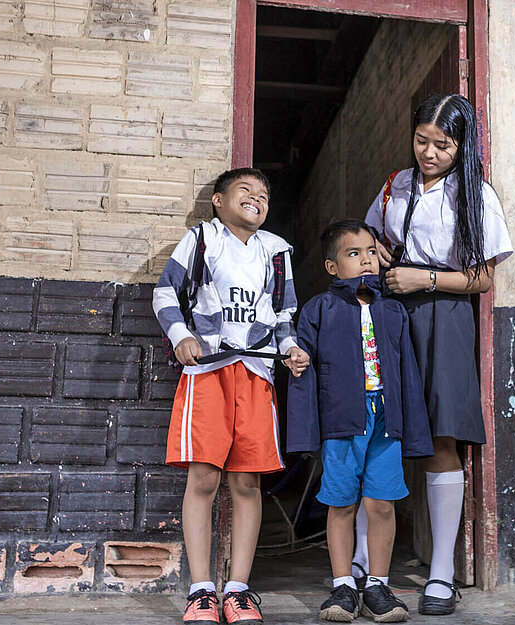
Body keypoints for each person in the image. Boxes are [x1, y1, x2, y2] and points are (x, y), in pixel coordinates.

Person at [361, 93, 513, 615]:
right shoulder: (394, 186)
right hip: (393, 311)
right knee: (379, 425)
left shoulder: (476, 195)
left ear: (461, 144)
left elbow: (485, 277)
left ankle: (442, 573)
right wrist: (381, 256)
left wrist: (422, 276)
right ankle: (363, 558)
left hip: (445, 314)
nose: (429, 153)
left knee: (441, 435)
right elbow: (373, 240)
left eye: (442, 145)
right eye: (422, 141)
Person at [154, 167, 310, 625]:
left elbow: (283, 315)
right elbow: (166, 292)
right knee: (203, 478)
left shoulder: (275, 251)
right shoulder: (204, 239)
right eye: (246, 190)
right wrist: (181, 334)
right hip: (209, 371)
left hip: (256, 372)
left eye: (264, 195)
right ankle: (201, 589)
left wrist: (291, 348)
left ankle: (238, 589)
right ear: (219, 201)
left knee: (247, 482)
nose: (257, 199)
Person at [288, 219, 433, 623]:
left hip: (385, 420)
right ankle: (343, 587)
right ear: (333, 267)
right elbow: (305, 371)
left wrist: (413, 428)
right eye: (354, 254)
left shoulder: (392, 311)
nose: (367, 259)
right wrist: (306, 430)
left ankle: (378, 585)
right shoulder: (319, 309)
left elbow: (407, 373)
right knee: (342, 503)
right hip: (341, 420)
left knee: (381, 504)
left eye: (371, 251)